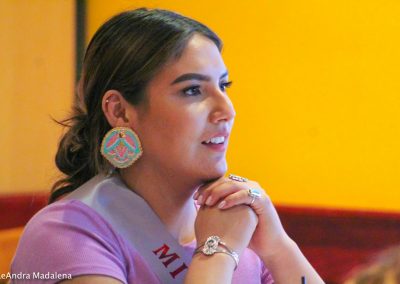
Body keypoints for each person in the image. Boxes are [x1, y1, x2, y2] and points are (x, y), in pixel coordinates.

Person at [11, 8, 324, 284]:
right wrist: (215, 254)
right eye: (192, 90)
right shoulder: (65, 234)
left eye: (223, 85)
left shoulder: (234, 223)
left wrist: (277, 245)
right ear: (120, 111)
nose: (227, 109)